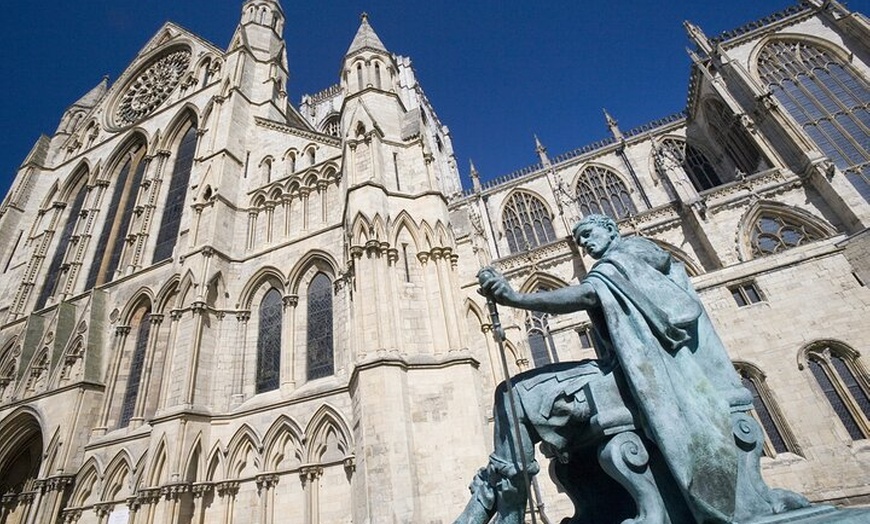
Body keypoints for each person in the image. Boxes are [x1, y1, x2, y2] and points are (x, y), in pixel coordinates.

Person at [456, 214, 801, 524]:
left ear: (611, 229)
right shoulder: (613, 264)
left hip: (656, 374)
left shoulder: (634, 253)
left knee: (513, 395)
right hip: (626, 370)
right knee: (511, 396)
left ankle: (502, 511)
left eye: (590, 235)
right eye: (580, 241)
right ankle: (500, 504)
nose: (586, 244)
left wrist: (517, 299)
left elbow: (589, 295)